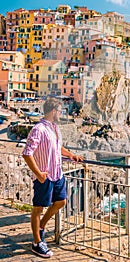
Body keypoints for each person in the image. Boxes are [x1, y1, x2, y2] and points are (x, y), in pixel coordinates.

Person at [22, 97, 84, 258]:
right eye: (60, 110)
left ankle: (41, 226)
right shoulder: (39, 129)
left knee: (61, 201)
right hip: (45, 176)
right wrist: (38, 174)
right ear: (52, 111)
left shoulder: (54, 128)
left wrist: (71, 155)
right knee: (38, 209)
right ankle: (36, 243)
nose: (61, 113)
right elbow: (27, 153)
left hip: (58, 174)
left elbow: (57, 146)